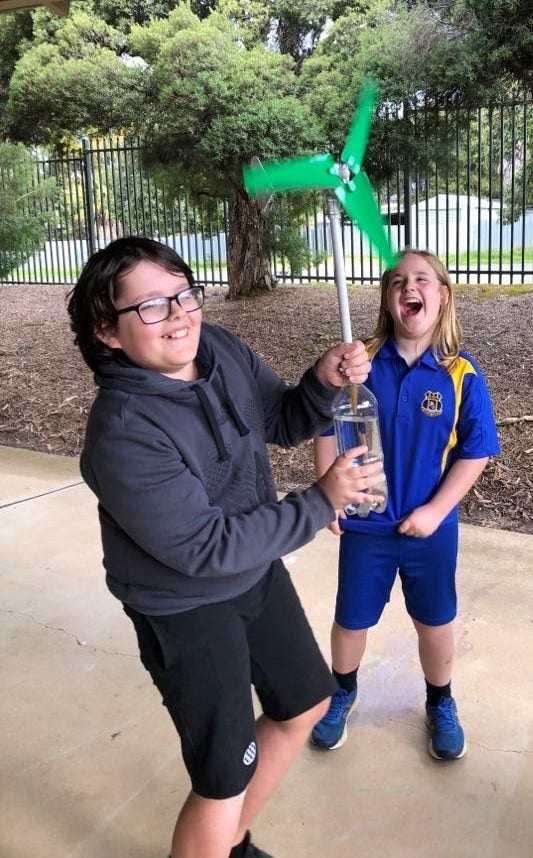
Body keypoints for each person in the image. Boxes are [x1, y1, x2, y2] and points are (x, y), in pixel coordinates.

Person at [66, 235, 384, 858]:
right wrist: (321, 501)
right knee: (223, 777)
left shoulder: (220, 351)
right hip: (184, 606)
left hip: (253, 571)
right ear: (107, 330)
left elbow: (284, 420)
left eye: (185, 293)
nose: (180, 314)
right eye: (152, 306)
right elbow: (204, 547)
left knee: (304, 702)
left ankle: (231, 845)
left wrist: (320, 382)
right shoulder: (123, 433)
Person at [311, 249, 500, 761]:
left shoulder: (461, 373)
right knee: (351, 620)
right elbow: (326, 429)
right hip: (367, 524)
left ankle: (440, 701)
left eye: (421, 280)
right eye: (396, 281)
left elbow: (476, 450)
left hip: (429, 528)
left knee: (435, 621)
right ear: (388, 299)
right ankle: (342, 692)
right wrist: (327, 493)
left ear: (442, 295)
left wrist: (437, 511)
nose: (407, 288)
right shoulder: (361, 365)